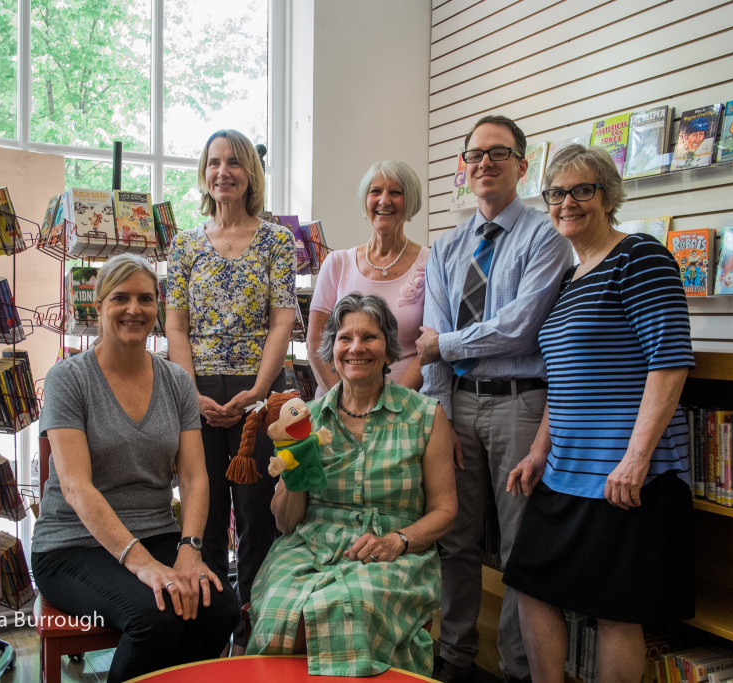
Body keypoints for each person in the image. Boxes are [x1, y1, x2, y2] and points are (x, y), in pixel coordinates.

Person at [503, 144, 695, 682]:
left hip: (624, 476)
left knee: (615, 612)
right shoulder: (569, 280)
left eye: (582, 190)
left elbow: (669, 362)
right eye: (557, 193)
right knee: (529, 584)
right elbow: (563, 381)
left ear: (608, 196)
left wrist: (636, 458)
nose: (568, 202)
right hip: (564, 473)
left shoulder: (641, 257)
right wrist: (540, 450)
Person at [415, 114, 572, 683]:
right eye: (475, 154)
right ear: (464, 167)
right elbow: (428, 343)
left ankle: (516, 668)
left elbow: (520, 328)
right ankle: (455, 656)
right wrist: (439, 414)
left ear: (522, 166)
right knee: (454, 537)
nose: (485, 162)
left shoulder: (546, 238)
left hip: (520, 405)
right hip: (457, 405)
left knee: (518, 545)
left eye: (499, 153)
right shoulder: (446, 247)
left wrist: (445, 345)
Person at [31, 254, 238, 683]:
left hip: (158, 533)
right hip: (71, 546)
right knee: (154, 617)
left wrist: (190, 549)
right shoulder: (68, 380)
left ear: (158, 308)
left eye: (146, 299)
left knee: (220, 611)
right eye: (120, 298)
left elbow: (196, 477)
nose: (134, 309)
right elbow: (75, 487)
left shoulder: (177, 381)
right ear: (99, 306)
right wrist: (143, 564)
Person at [247, 293, 458, 677]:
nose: (356, 348)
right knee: (283, 614)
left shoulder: (425, 415)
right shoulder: (305, 419)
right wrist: (297, 474)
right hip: (310, 543)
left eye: (369, 337)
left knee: (350, 610)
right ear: (332, 349)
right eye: (345, 338)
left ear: (389, 349)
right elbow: (285, 523)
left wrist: (397, 540)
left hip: (393, 552)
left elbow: (445, 511)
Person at [166, 129, 297, 650]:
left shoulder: (276, 241)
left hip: (259, 394)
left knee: (258, 514)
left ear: (251, 175)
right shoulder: (184, 244)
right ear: (204, 172)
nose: (223, 171)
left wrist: (260, 396)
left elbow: (282, 323)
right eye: (214, 162)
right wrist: (188, 392)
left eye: (234, 163)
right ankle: (210, 630)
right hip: (197, 393)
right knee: (206, 511)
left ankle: (256, 631)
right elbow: (175, 327)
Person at [307, 160, 429, 396]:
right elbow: (316, 343)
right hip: (338, 406)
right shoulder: (336, 263)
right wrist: (346, 403)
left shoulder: (431, 263)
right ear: (366, 199)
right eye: (376, 191)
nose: (384, 200)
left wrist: (392, 406)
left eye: (396, 192)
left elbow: (429, 347)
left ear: (410, 200)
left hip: (404, 406)